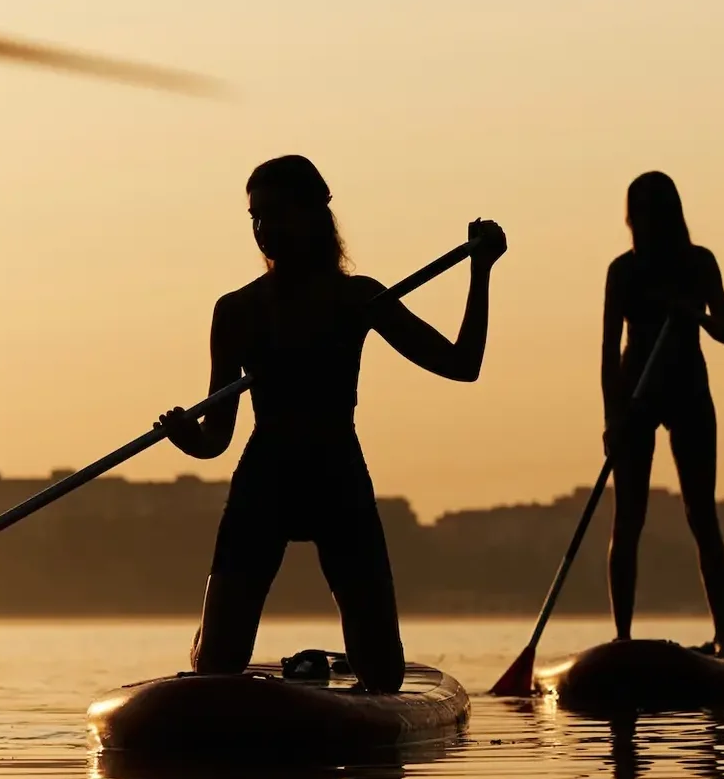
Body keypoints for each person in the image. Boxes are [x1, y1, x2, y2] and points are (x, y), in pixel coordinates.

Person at [158, 155, 506, 693]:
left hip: (335, 475)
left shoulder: (357, 297)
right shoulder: (236, 310)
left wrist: (480, 273)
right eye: (254, 216)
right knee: (215, 665)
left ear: (312, 216)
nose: (263, 229)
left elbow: (462, 366)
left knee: (384, 674)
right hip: (264, 480)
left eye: (275, 213)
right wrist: (189, 440)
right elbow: (216, 438)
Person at [602, 171, 724, 655]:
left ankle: (722, 637)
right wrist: (612, 419)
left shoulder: (698, 264)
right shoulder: (623, 271)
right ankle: (622, 638)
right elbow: (606, 351)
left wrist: (693, 314)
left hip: (688, 392)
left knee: (702, 515)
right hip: (637, 394)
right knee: (628, 518)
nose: (638, 226)